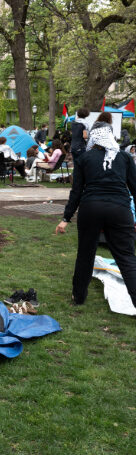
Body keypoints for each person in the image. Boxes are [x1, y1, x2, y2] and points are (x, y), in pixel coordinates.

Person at [56, 112, 136, 308]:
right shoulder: (125, 157)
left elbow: (76, 192)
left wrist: (66, 218)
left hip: (90, 208)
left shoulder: (84, 158)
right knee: (126, 256)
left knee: (85, 253)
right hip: (119, 209)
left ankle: (79, 296)